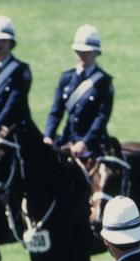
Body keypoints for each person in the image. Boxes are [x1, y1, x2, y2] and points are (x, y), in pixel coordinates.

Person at [43, 24, 115, 161]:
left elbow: (102, 117)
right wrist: (48, 135)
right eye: (79, 51)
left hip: (93, 144)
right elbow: (55, 112)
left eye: (87, 52)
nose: (83, 55)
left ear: (95, 53)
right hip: (68, 140)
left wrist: (84, 142)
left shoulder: (104, 82)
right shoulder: (66, 78)